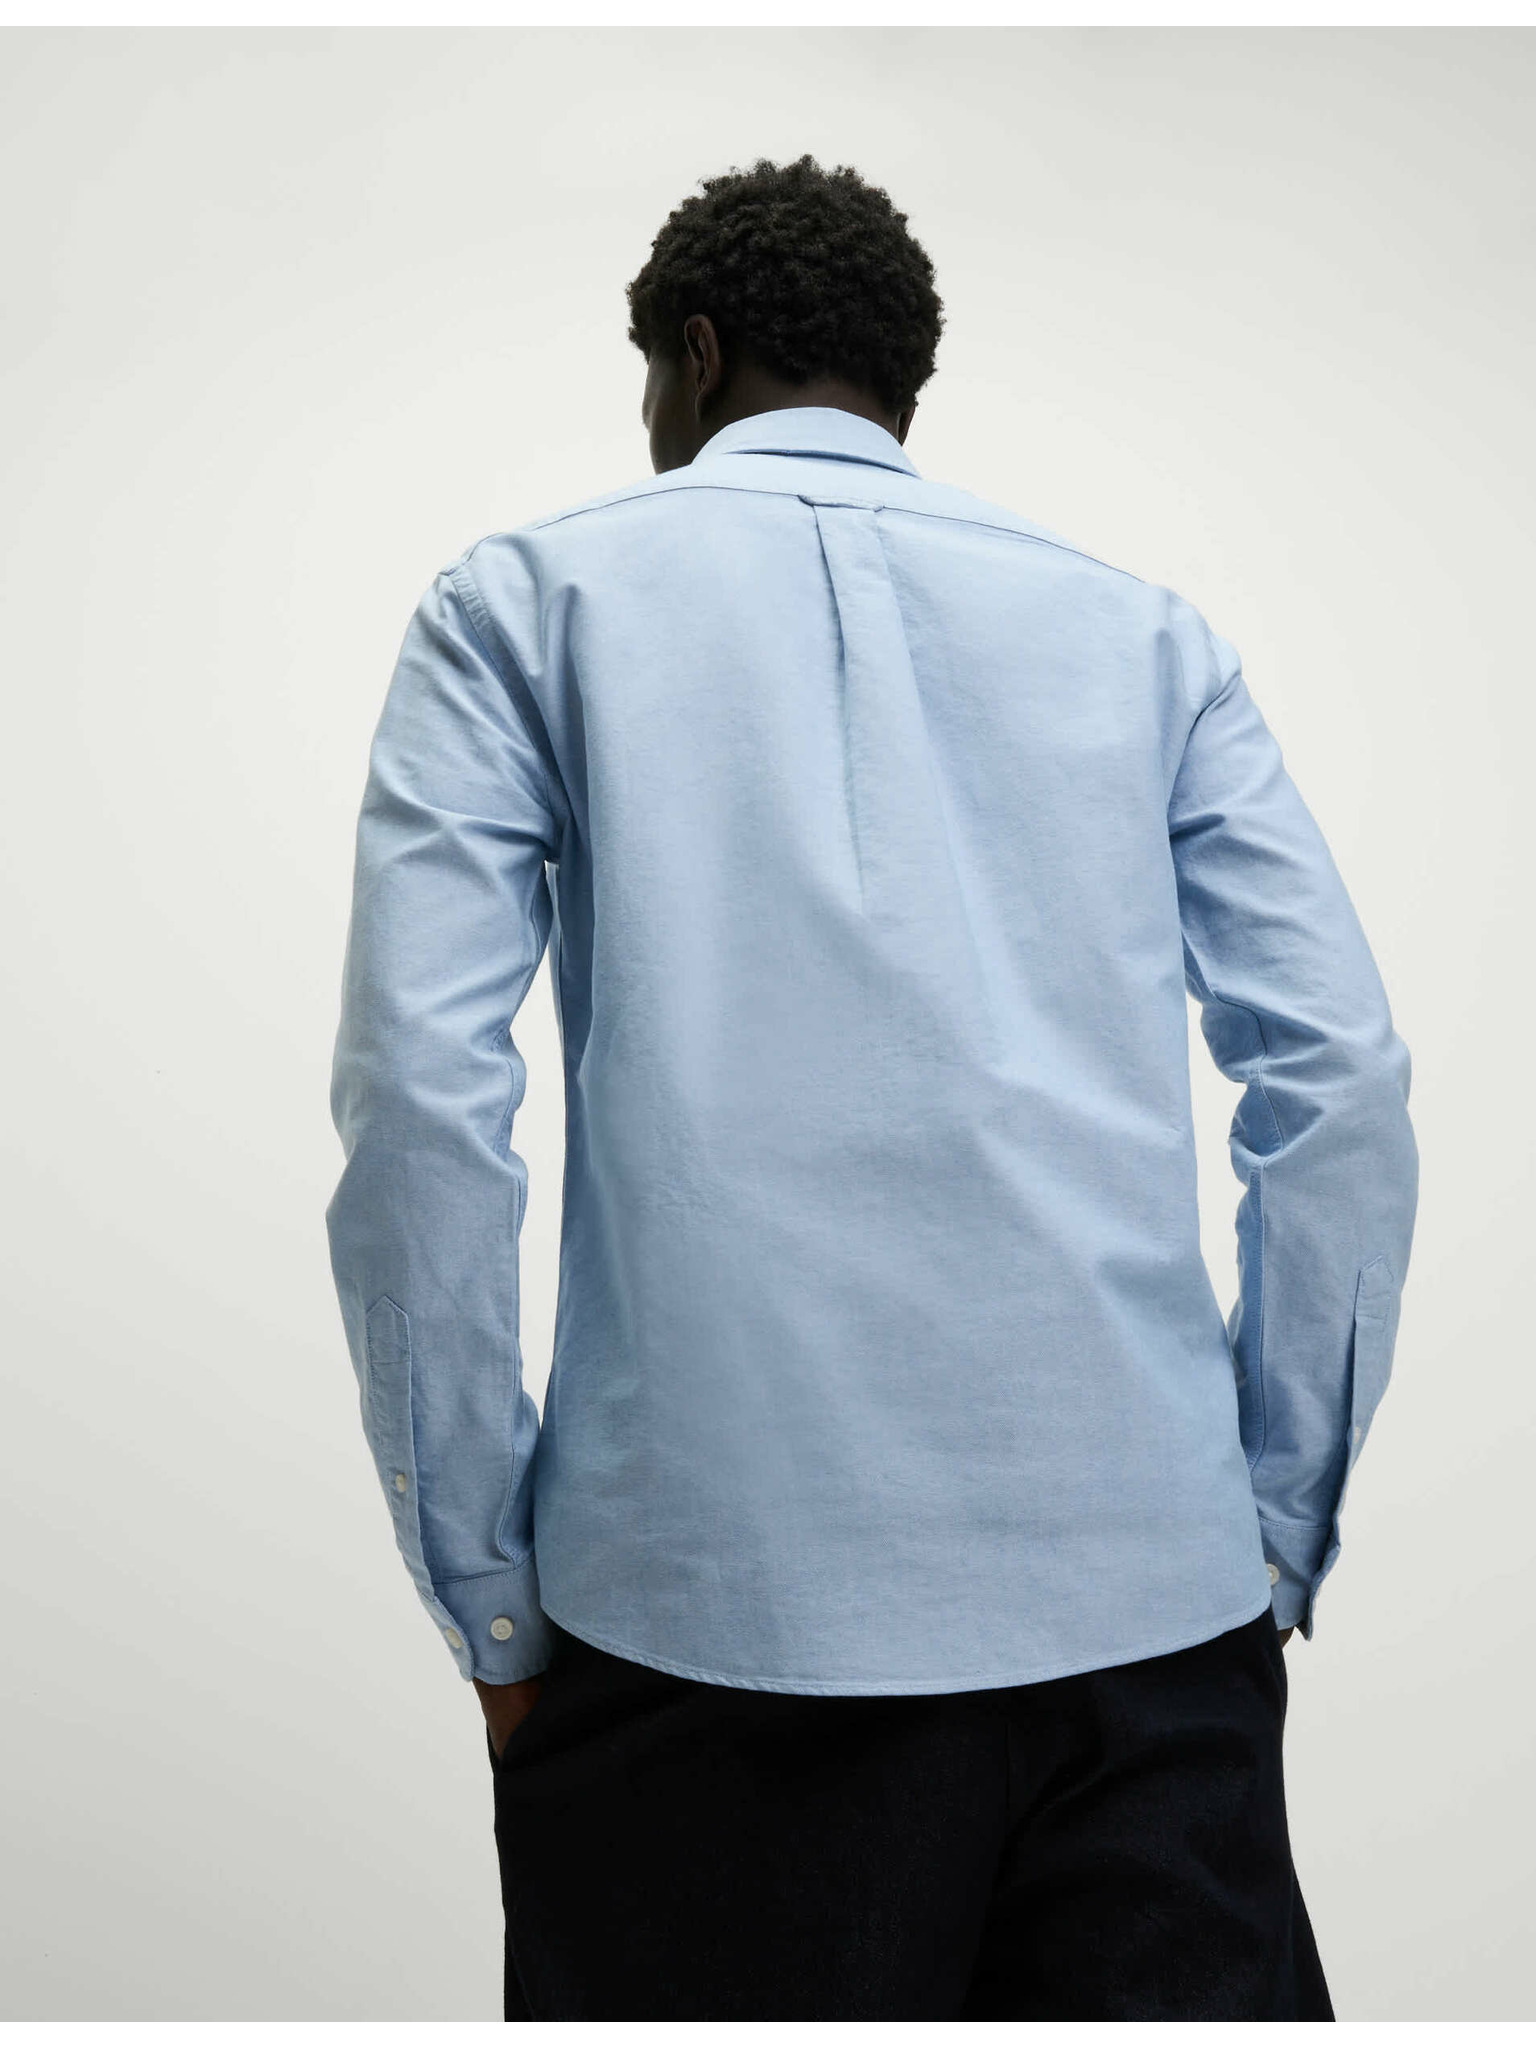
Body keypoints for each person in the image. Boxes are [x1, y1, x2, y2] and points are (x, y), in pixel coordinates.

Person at [325, 154, 1417, 2020]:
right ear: (902, 379)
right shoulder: (1149, 640)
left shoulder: (521, 604)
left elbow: (425, 1102)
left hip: (703, 1635)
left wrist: (490, 1584)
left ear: (695, 354)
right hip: (1151, 1633)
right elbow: (1339, 1082)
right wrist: (1265, 1523)